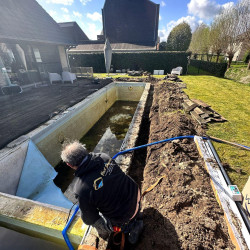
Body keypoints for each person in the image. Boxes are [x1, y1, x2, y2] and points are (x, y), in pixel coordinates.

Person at [61, 140, 143, 244]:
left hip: (125, 215)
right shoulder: (103, 157)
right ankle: (137, 214)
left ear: (69, 165)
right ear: (85, 151)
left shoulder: (80, 189)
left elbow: (89, 219)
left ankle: (132, 227)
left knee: (95, 221)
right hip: (136, 193)